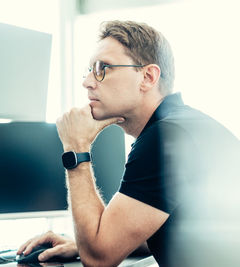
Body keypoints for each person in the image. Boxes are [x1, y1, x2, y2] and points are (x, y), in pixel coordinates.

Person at [17, 20, 240, 267]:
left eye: (103, 68)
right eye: (89, 70)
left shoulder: (163, 140)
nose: (88, 82)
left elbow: (99, 259)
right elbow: (182, 232)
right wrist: (85, 243)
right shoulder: (182, 127)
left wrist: (76, 146)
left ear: (147, 77)